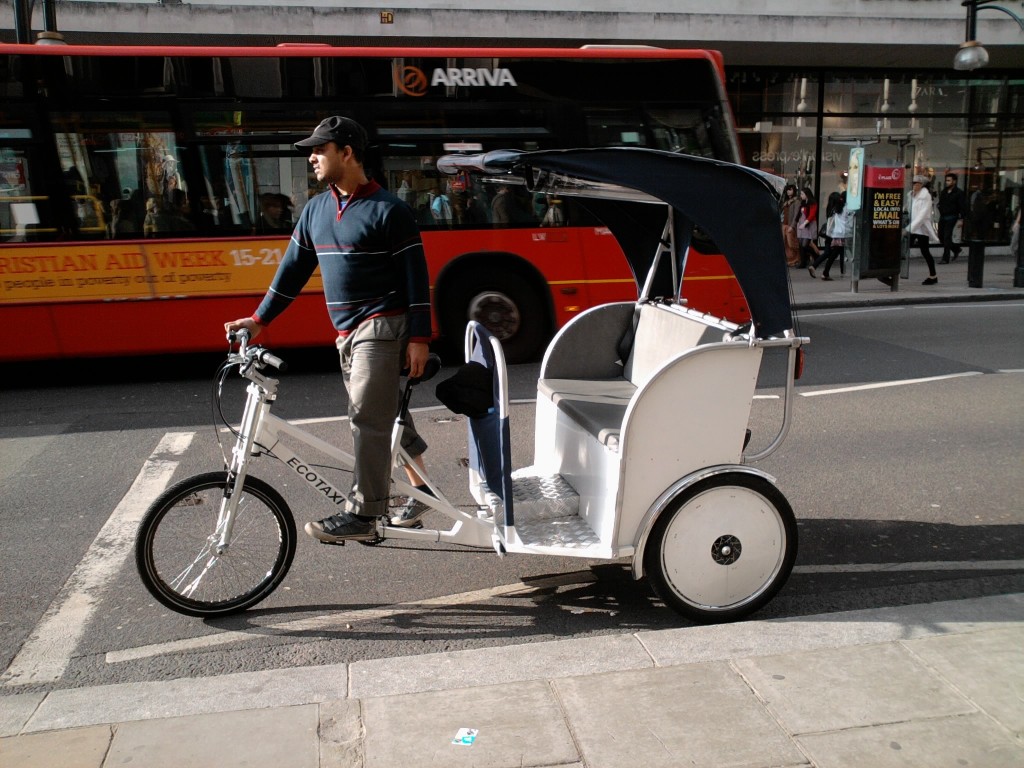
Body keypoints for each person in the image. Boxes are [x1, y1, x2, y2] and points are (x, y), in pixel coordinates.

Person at [224, 116, 433, 542]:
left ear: (347, 152)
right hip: (346, 333)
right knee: (385, 412)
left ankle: (363, 513)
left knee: (365, 416)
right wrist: (259, 320)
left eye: (320, 149)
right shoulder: (317, 210)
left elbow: (416, 279)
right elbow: (291, 272)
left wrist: (419, 338)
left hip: (382, 323)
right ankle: (423, 493)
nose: (313, 157)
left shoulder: (389, 211)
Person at [812, 173, 851, 281]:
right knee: (834, 253)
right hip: (842, 234)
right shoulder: (845, 208)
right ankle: (825, 272)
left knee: (832, 253)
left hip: (835, 234)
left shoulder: (835, 208)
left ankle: (823, 271)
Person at [909, 174, 939, 285]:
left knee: (925, 251)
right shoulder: (913, 195)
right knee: (904, 249)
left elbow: (922, 215)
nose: (913, 185)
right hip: (915, 227)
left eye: (916, 183)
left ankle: (933, 276)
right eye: (913, 183)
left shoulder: (925, 197)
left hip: (921, 228)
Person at [936, 172, 967, 263]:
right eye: (946, 180)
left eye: (949, 180)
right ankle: (956, 249)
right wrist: (939, 207)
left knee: (947, 237)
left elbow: (962, 206)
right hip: (943, 216)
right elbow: (941, 202)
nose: (947, 182)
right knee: (941, 236)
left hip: (952, 216)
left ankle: (945, 258)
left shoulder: (959, 193)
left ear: (954, 181)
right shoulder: (944, 191)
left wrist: (961, 219)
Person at [795, 187, 821, 268]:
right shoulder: (803, 203)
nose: (801, 195)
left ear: (807, 194)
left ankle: (815, 256)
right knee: (801, 244)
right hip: (801, 224)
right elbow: (799, 214)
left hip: (809, 224)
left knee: (805, 245)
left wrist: (805, 223)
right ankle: (803, 261)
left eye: (802, 194)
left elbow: (812, 215)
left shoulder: (812, 203)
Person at [779, 183, 801, 267]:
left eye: (790, 190)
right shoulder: (785, 202)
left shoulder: (796, 201)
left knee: (792, 243)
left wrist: (793, 225)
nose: (788, 192)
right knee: (786, 244)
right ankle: (789, 260)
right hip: (784, 224)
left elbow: (796, 214)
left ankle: (796, 259)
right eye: (787, 190)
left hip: (790, 225)